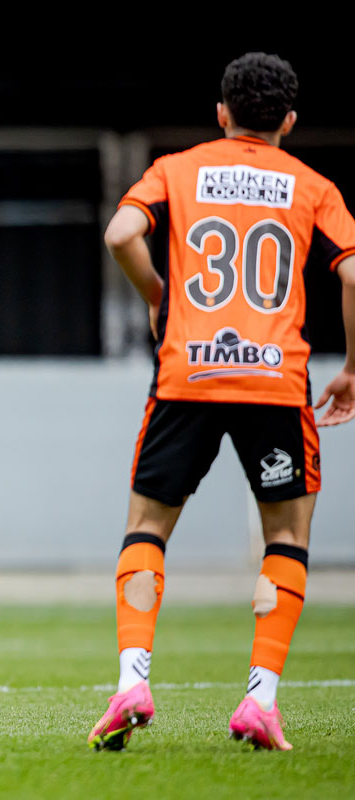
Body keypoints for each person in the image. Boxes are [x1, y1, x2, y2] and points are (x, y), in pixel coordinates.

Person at [89, 52, 355, 752]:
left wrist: (158, 296)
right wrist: (353, 369)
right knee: (286, 538)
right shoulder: (311, 184)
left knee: (148, 526)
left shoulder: (179, 167)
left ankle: (131, 683)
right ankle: (260, 700)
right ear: (289, 121)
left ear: (222, 112)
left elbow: (121, 233)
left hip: (188, 377)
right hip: (274, 381)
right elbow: (353, 273)